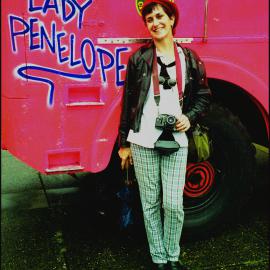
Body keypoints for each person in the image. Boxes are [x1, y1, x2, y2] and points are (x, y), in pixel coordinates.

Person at [118, 0, 211, 269]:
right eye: (149, 19)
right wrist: (124, 143)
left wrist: (188, 117)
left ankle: (173, 255)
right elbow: (129, 103)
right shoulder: (139, 59)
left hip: (177, 140)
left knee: (173, 204)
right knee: (150, 203)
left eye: (160, 16)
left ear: (171, 20)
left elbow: (204, 96)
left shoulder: (189, 57)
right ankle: (160, 259)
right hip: (143, 140)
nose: (155, 23)